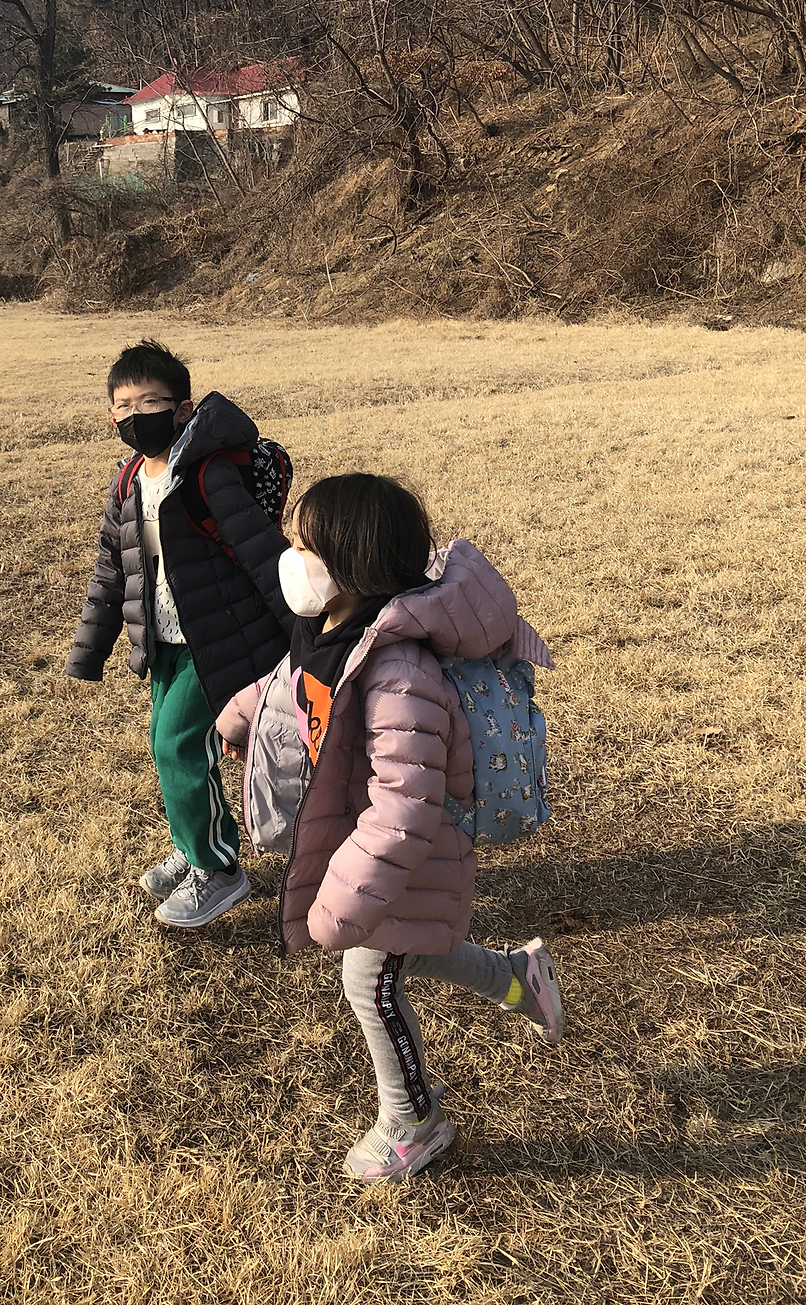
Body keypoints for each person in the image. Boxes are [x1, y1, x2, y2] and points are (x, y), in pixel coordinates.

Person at [217, 472, 563, 1181]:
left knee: (369, 978)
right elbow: (290, 682)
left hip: (405, 854)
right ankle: (516, 978)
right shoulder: (328, 628)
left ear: (354, 562)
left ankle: (414, 1123)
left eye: (303, 546)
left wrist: (346, 897)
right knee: (409, 949)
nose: (289, 558)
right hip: (361, 838)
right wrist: (240, 714)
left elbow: (406, 805)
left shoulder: (399, 670)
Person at [66, 340, 294, 928]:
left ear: (183, 408)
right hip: (162, 640)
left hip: (215, 642)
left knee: (177, 746)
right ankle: (195, 845)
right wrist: (90, 649)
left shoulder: (208, 475)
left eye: (150, 402)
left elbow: (262, 553)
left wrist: (306, 635)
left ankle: (217, 870)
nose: (135, 415)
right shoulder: (128, 480)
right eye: (123, 405)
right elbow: (113, 568)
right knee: (167, 746)